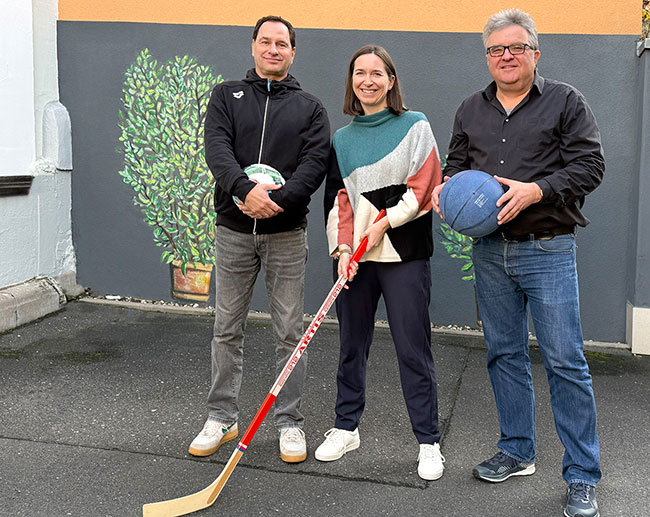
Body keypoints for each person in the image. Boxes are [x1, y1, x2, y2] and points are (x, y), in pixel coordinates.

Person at [432, 9, 604, 517]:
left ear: (535, 52)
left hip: (547, 248)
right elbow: (456, 163)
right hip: (489, 251)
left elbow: (590, 166)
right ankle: (517, 450)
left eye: (516, 47)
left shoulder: (566, 101)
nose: (505, 56)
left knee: (565, 362)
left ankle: (582, 475)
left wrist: (537, 190)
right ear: (487, 56)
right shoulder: (470, 108)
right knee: (504, 354)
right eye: (496, 49)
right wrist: (446, 188)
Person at [188, 15, 331, 464]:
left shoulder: (310, 107)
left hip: (285, 232)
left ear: (293, 52)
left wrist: (276, 201)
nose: (273, 49)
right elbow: (217, 149)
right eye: (265, 41)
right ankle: (222, 417)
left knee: (289, 331)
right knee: (226, 328)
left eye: (281, 43)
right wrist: (244, 191)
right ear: (253, 46)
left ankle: (290, 422)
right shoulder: (226, 95)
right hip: (233, 231)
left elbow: (314, 163)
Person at [318, 45, 445, 480]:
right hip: (356, 262)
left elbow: (425, 187)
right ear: (351, 81)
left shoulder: (415, 125)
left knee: (413, 349)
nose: (367, 81)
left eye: (377, 73)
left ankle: (428, 442)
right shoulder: (342, 139)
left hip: (403, 255)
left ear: (391, 81)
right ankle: (345, 428)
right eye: (360, 73)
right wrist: (341, 250)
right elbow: (339, 200)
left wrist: (383, 224)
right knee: (351, 345)